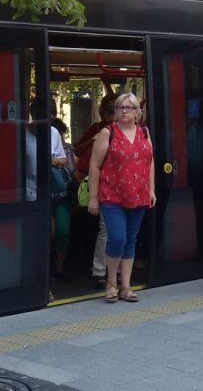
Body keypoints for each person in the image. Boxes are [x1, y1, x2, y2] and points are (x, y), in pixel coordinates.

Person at [87, 93, 156, 303]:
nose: (124, 111)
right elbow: (94, 165)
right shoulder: (107, 133)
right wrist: (93, 197)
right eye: (120, 108)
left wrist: (151, 189)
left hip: (139, 194)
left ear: (137, 112)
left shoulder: (144, 132)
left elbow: (150, 162)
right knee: (117, 238)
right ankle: (111, 283)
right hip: (112, 196)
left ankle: (126, 286)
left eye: (128, 107)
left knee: (131, 239)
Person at [74, 93, 118, 287]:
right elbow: (88, 162)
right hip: (103, 187)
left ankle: (110, 272)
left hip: (123, 188)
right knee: (107, 230)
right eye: (109, 109)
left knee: (117, 232)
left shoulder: (133, 132)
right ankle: (103, 271)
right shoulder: (100, 132)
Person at [50, 117, 77, 283]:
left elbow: (72, 169)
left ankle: (59, 269)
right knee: (50, 232)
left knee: (63, 231)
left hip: (62, 195)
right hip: (42, 195)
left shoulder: (67, 149)